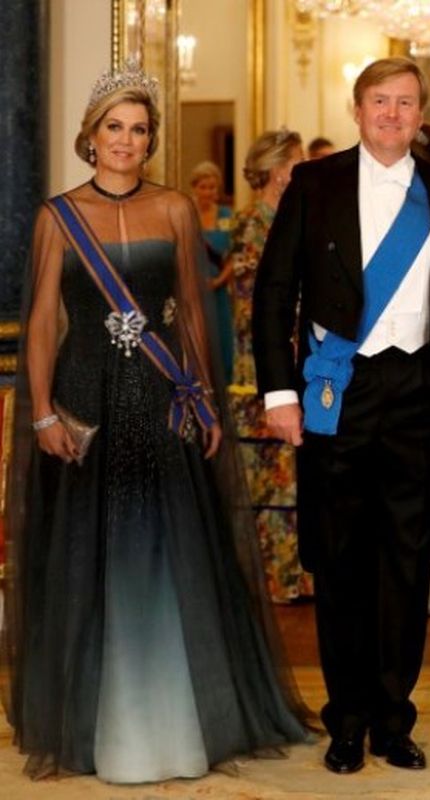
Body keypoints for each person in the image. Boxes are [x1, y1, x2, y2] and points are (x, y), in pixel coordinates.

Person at [1, 60, 310, 784]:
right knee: (92, 556)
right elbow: (45, 319)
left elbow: (194, 316)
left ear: (151, 140)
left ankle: (173, 724)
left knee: (169, 557)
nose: (126, 141)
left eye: (139, 130)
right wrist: (42, 408)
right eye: (115, 127)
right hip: (88, 402)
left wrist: (199, 394)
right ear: (92, 135)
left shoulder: (175, 209)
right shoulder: (57, 215)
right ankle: (99, 726)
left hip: (161, 397)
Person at [252, 57, 430, 775]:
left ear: (421, 115)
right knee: (340, 555)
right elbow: (273, 294)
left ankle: (394, 716)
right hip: (337, 391)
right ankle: (346, 719)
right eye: (380, 101)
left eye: (406, 103)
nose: (392, 114)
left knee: (408, 560)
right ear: (357, 110)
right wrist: (278, 393)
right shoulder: (315, 184)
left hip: (421, 391)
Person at [223, 128, 309, 603]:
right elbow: (257, 303)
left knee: (289, 472)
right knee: (268, 474)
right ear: (280, 172)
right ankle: (273, 577)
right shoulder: (252, 224)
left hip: (289, 360)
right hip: (259, 366)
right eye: (297, 162)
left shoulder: (283, 217)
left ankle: (294, 572)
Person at [189, 160, 234, 381]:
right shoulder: (186, 215)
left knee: (221, 340)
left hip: (219, 289)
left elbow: (235, 255)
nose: (208, 192)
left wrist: (218, 281)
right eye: (203, 187)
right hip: (192, 291)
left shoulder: (227, 216)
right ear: (194, 188)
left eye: (212, 187)